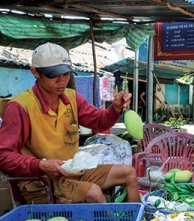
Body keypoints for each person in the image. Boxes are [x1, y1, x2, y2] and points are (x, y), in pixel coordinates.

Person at [0, 42, 140, 204]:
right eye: (53, 74)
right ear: (35, 72)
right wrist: (40, 165)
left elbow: (99, 122)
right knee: (94, 193)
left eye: (65, 74)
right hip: (41, 181)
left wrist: (115, 108)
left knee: (129, 173)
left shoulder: (72, 98)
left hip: (72, 170)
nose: (61, 80)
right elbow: (3, 156)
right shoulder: (20, 107)